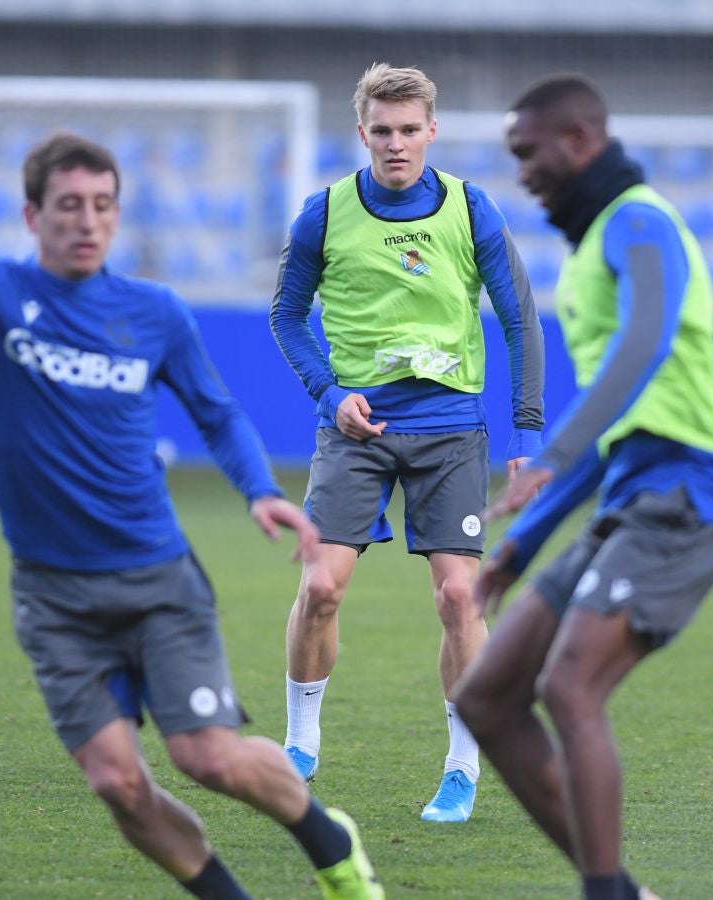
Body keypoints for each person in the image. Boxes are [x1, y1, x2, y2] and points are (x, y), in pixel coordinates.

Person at [0, 134, 383, 900]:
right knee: (118, 783)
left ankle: (329, 842)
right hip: (52, 596)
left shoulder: (153, 312)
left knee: (208, 758)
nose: (88, 221)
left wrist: (258, 488)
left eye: (103, 205)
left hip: (156, 580)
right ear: (32, 215)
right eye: (69, 205)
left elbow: (216, 412)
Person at [452, 73, 713, 900]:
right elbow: (612, 423)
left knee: (568, 687)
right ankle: (620, 890)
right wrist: (521, 544)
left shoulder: (641, 222)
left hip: (695, 489)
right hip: (634, 492)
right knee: (487, 698)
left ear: (580, 140)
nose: (522, 171)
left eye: (529, 152)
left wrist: (553, 453)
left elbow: (645, 344)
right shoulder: (590, 250)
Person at [270, 62, 545, 822]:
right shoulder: (323, 213)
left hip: (450, 429)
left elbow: (520, 319)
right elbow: (286, 316)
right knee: (321, 588)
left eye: (410, 130)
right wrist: (329, 393)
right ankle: (300, 743)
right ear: (362, 134)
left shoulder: (471, 208)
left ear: (432, 131)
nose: (396, 144)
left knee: (460, 597)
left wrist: (526, 430)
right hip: (353, 430)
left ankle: (462, 765)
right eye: (382, 131)